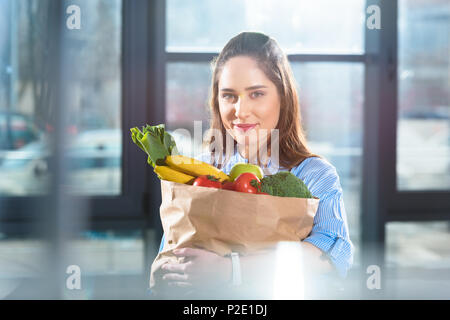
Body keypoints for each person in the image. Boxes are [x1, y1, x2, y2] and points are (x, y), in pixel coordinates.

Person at [155, 32, 353, 297]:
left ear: (283, 97)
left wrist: (229, 271)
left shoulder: (314, 174)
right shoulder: (201, 172)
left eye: (256, 94)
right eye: (229, 96)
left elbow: (330, 254)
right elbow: (171, 246)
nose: (240, 110)